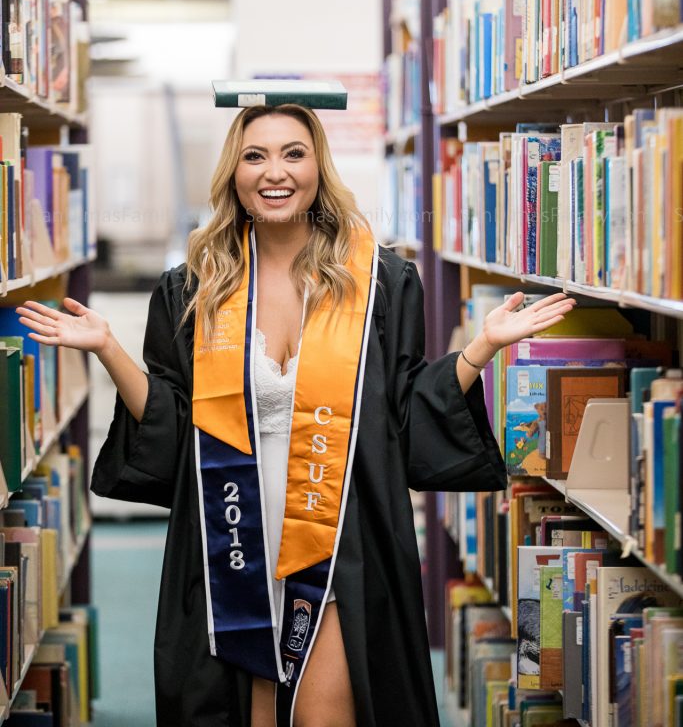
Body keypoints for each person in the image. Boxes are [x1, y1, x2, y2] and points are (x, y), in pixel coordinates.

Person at [15, 101, 576, 727]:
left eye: (293, 153)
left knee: (325, 714)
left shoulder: (379, 283)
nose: (273, 171)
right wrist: (108, 350)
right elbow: (171, 424)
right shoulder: (195, 286)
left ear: (318, 168)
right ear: (234, 171)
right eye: (255, 156)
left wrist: (483, 346)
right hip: (231, 537)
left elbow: (406, 410)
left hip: (337, 531)